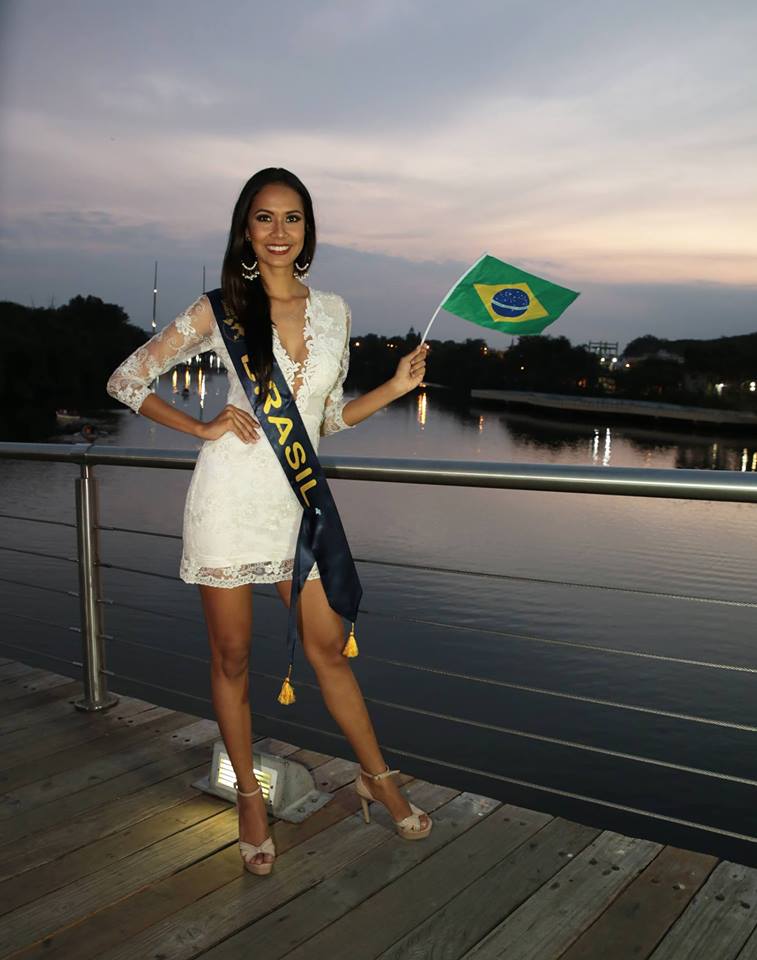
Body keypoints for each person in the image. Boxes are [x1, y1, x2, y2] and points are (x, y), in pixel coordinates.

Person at [106, 167, 432, 876]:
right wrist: (197, 425)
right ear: (245, 230)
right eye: (264, 218)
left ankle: (376, 776)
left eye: (292, 218)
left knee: (327, 645)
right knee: (231, 658)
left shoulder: (335, 312)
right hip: (227, 501)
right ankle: (249, 799)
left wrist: (394, 388)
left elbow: (325, 422)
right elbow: (126, 380)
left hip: (296, 505)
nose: (279, 232)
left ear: (307, 230)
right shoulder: (218, 309)